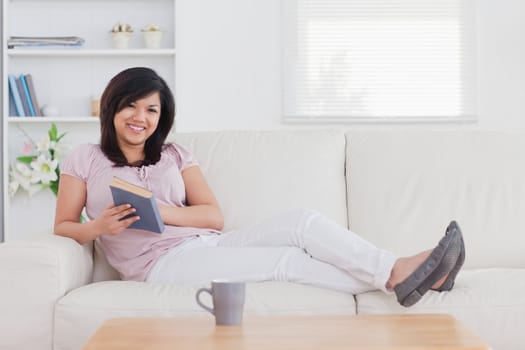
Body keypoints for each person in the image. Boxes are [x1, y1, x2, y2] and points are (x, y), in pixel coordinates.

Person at [54, 67, 465, 307]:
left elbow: (212, 215)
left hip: (208, 243)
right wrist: (98, 229)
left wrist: (162, 212)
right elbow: (64, 226)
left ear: (162, 117)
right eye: (131, 105)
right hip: (159, 266)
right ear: (112, 106)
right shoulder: (85, 157)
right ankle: (405, 274)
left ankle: (400, 273)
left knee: (302, 222)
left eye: (151, 109)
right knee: (284, 261)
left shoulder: (175, 154)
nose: (140, 117)